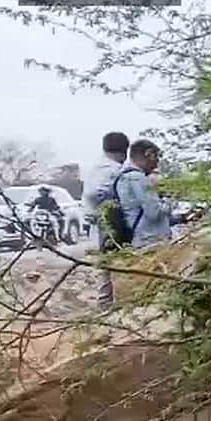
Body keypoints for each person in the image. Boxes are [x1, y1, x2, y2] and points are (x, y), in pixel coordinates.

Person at [85, 132, 128, 308]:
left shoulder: (96, 167)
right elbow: (94, 194)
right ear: (124, 151)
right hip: (107, 223)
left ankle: (106, 303)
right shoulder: (112, 170)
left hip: (97, 222)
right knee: (112, 264)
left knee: (105, 265)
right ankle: (107, 305)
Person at [111, 139, 173, 249]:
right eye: (157, 157)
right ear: (149, 155)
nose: (157, 163)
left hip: (140, 238)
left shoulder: (122, 177)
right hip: (151, 241)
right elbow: (154, 213)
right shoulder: (138, 178)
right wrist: (168, 197)